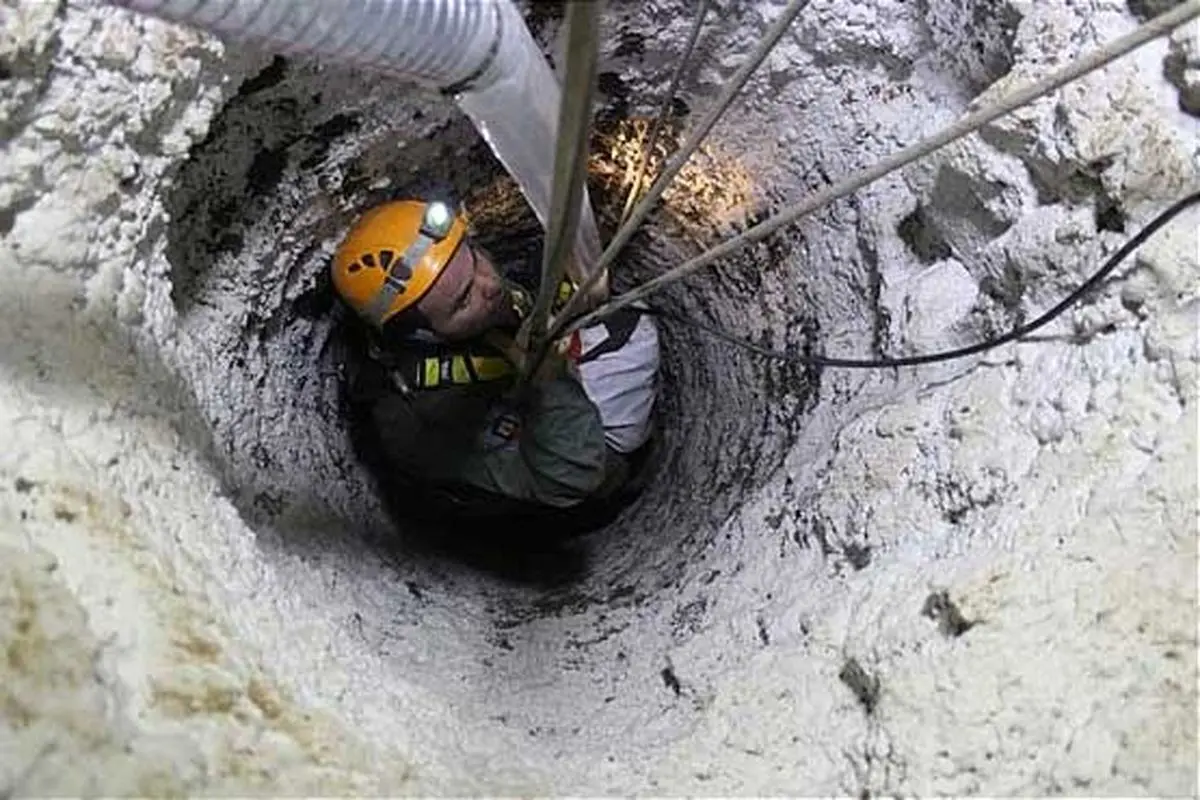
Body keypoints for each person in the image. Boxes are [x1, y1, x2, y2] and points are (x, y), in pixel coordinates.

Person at [332, 198, 660, 523]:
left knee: (628, 319)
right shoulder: (423, 424)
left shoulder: (475, 301)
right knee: (631, 343)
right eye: (463, 301)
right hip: (555, 483)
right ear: (423, 337)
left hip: (525, 386)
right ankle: (628, 483)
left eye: (474, 260)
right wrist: (551, 387)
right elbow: (568, 480)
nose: (491, 286)